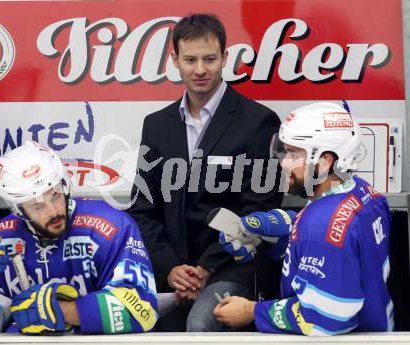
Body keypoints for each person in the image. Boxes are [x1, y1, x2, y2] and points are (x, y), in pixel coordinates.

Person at [128, 13, 283, 331]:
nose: (200, 69)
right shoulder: (156, 126)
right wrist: (172, 269)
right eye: (190, 59)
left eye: (210, 59)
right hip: (172, 273)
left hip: (232, 268)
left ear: (225, 57)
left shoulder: (259, 121)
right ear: (175, 60)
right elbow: (143, 210)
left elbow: (259, 210)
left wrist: (204, 269)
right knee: (127, 320)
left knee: (200, 324)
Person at [214, 102, 394, 335]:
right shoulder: (364, 192)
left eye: (294, 154)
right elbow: (344, 253)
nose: (283, 162)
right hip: (379, 327)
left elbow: (326, 318)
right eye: (284, 151)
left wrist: (251, 311)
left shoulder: (321, 224)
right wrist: (274, 240)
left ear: (324, 161)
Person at [0, 141, 158, 334]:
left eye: (55, 195)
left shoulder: (111, 226)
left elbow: (144, 311)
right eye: (37, 206)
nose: (53, 212)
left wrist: (60, 311)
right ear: (18, 209)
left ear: (65, 185)